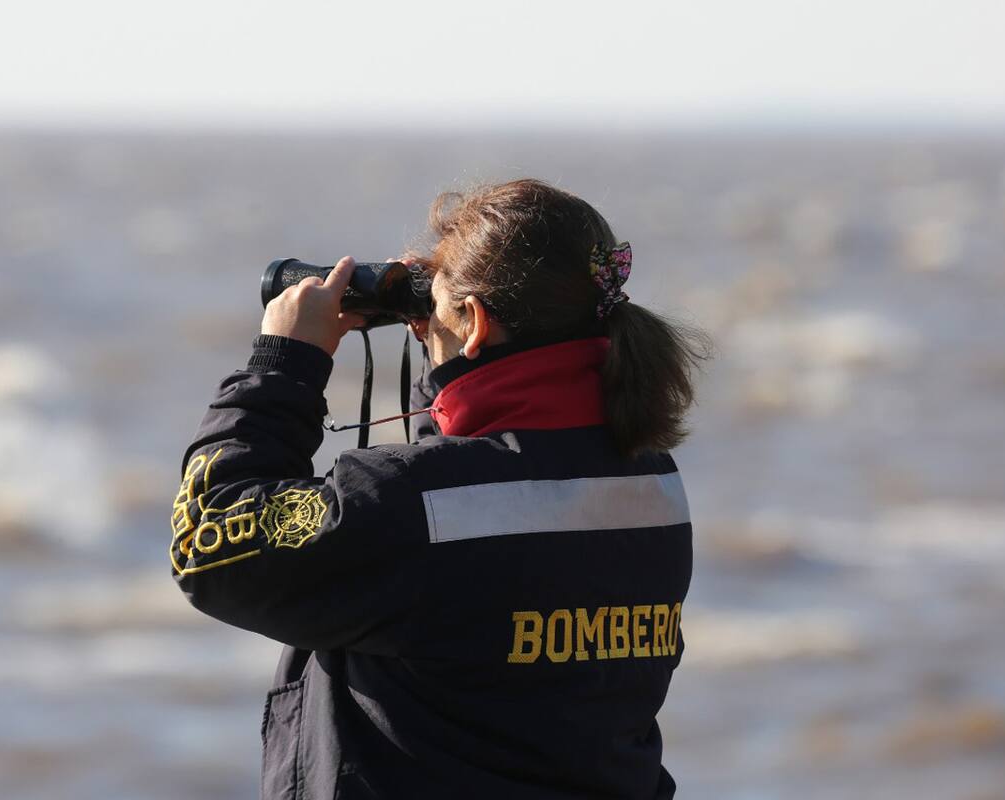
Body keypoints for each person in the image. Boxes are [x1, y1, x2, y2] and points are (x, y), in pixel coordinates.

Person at [170, 178, 710, 799]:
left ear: (474, 322)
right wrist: (446, 360)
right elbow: (477, 497)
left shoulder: (413, 507)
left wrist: (282, 364)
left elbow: (207, 542)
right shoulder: (648, 483)